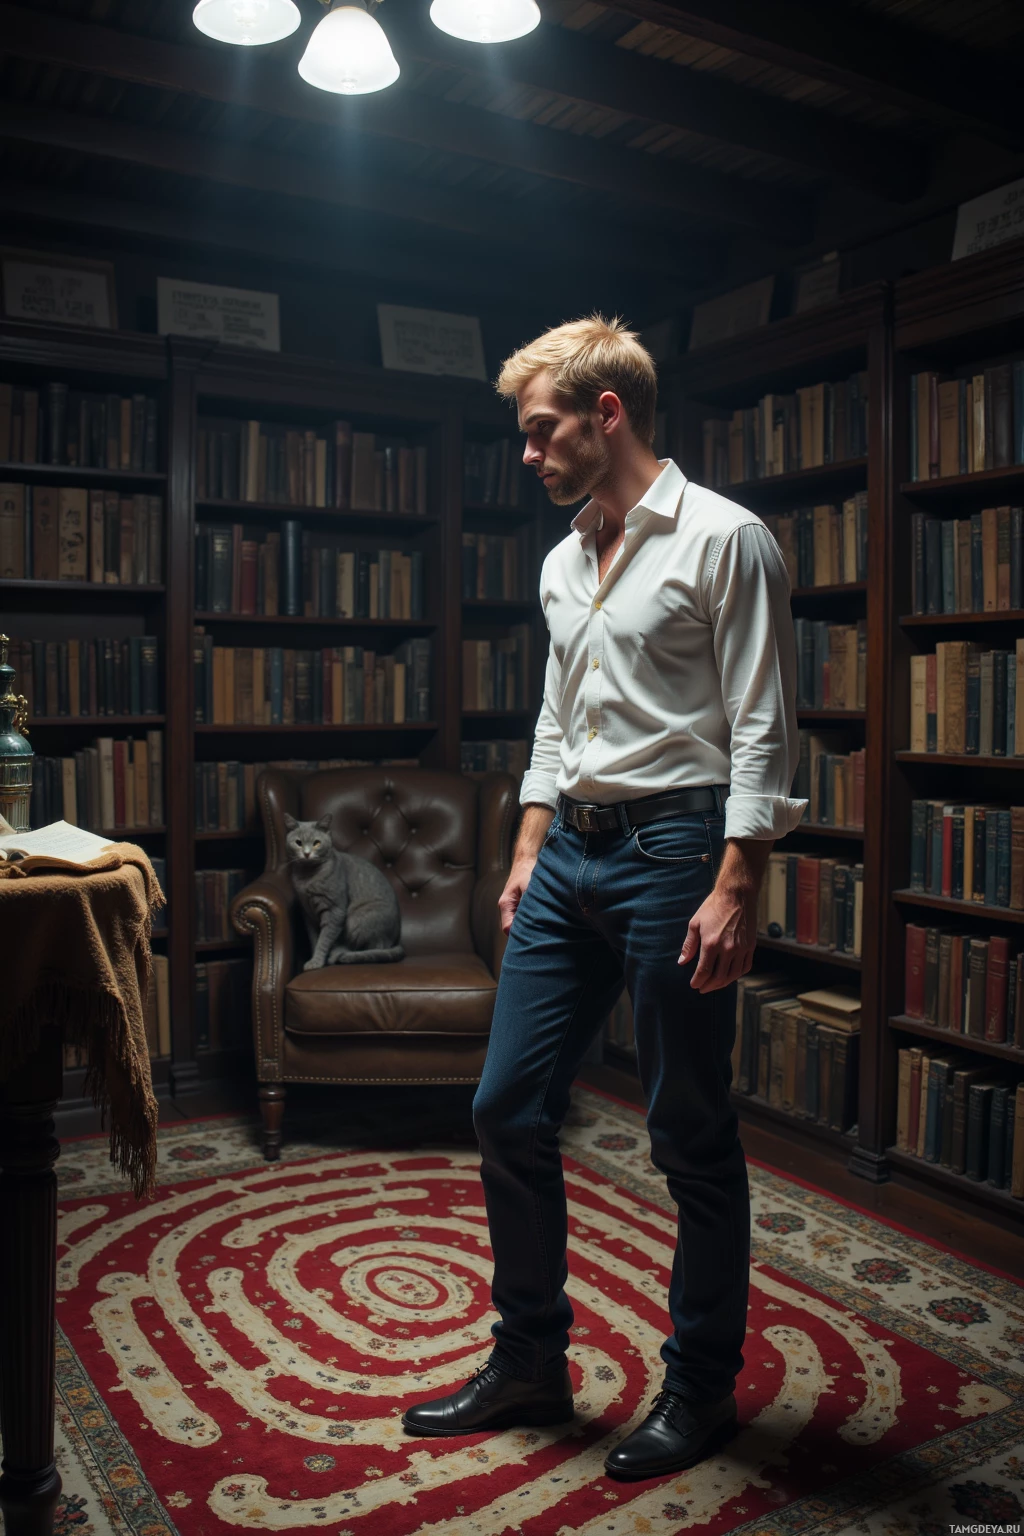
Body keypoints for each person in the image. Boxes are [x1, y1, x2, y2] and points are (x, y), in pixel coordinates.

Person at [401, 315, 807, 1479]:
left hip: (676, 856)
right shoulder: (561, 559)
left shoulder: (726, 540)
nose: (528, 456)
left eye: (540, 433)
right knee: (504, 1109)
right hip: (567, 856)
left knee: (686, 1130)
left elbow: (765, 728)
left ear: (606, 413)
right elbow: (555, 721)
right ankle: (529, 1360)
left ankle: (700, 1390)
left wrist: (739, 881)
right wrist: (528, 843)